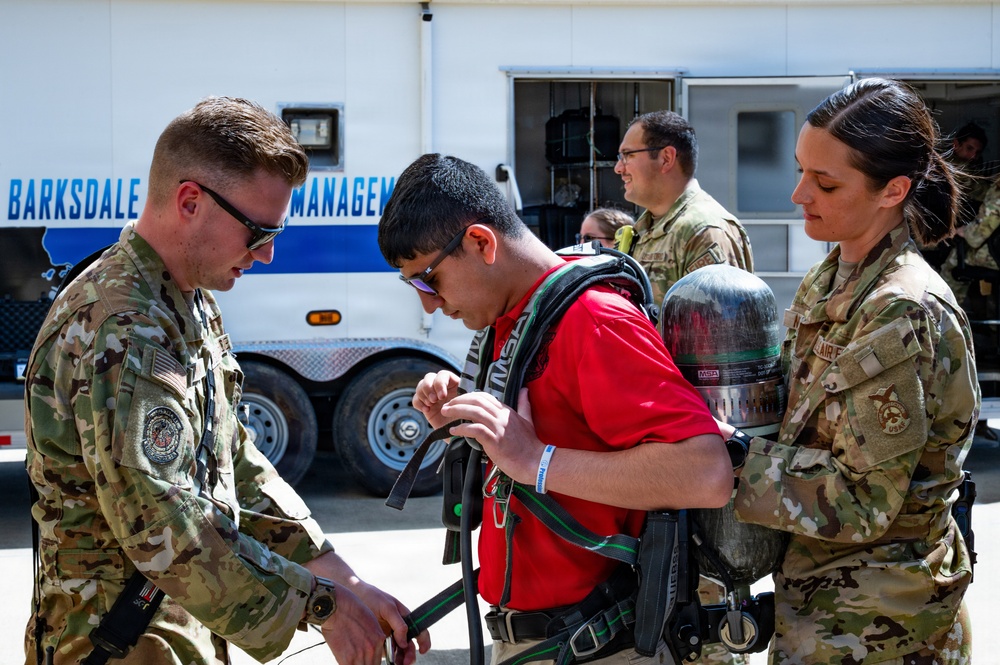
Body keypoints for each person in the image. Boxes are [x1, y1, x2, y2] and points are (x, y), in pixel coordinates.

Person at [24, 97, 430, 665]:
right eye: (258, 232)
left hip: (176, 635)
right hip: (115, 644)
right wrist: (323, 608)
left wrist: (344, 579)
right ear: (190, 201)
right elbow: (164, 524)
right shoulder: (124, 326)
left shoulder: (186, 301)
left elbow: (233, 461)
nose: (267, 254)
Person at [377, 153, 733, 665]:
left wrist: (536, 460)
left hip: (596, 644)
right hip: (542, 641)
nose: (428, 303)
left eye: (428, 279)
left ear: (481, 242)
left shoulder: (593, 320)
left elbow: (705, 472)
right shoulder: (517, 319)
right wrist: (468, 424)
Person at [717, 78, 978, 663]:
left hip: (879, 624)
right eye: (801, 170)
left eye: (824, 182)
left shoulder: (899, 310)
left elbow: (861, 500)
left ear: (894, 191)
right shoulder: (830, 277)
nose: (797, 194)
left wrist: (728, 459)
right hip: (826, 600)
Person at [614, 110, 753, 306]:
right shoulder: (645, 229)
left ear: (666, 158)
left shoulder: (705, 231)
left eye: (628, 155)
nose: (619, 168)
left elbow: (720, 329)